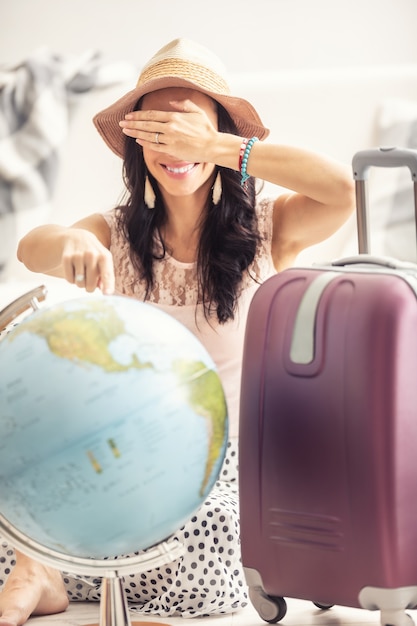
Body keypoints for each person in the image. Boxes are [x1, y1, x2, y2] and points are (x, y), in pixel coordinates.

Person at [0, 38, 355, 626]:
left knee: (210, 536)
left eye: (186, 128)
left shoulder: (273, 229)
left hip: (224, 473)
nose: (173, 146)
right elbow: (30, 247)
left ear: (220, 138)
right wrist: (71, 242)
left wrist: (211, 145)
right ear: (138, 144)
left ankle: (65, 564)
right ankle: (44, 571)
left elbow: (342, 190)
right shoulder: (115, 232)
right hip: (124, 458)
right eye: (157, 129)